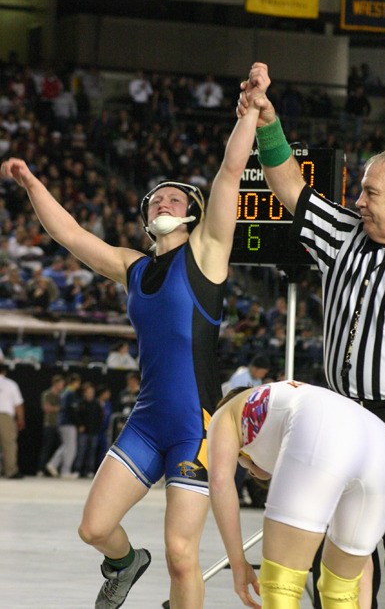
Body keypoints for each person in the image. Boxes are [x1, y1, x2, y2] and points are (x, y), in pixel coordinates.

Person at [0, 77, 266, 608]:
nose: (164, 199)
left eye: (175, 195)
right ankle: (125, 563)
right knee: (94, 528)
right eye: (156, 198)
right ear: (146, 217)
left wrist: (251, 112)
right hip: (146, 421)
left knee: (181, 553)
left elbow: (230, 172)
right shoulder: (132, 266)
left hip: (195, 425)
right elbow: (71, 236)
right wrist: (31, 185)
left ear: (192, 212)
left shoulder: (208, 252)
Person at [238, 63, 385, 608]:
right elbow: (289, 186)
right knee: (337, 543)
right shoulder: (343, 233)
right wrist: (268, 119)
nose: (358, 200)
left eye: (370, 192)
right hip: (337, 413)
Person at [207, 380, 385, 608]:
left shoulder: (226, 413)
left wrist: (238, 563)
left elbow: (220, 482)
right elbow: (364, 567)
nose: (247, 469)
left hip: (321, 430)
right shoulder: (286, 399)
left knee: (280, 586)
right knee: (341, 589)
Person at [45, 372, 81, 479]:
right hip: (68, 423)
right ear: (76, 382)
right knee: (71, 448)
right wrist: (78, 423)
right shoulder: (70, 393)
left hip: (62, 422)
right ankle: (65, 471)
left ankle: (53, 464)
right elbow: (71, 410)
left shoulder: (65, 392)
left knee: (66, 446)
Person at [37, 373, 65, 476]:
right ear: (55, 384)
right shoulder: (47, 394)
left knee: (61, 448)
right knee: (47, 448)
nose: (62, 386)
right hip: (49, 425)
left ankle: (56, 469)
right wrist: (59, 408)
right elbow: (46, 408)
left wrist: (55, 408)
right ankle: (40, 470)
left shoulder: (62, 396)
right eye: (61, 384)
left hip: (60, 425)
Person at [0, 363, 25, 478]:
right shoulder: (11, 384)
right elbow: (18, 404)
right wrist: (20, 419)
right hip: (5, 417)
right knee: (9, 444)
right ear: (4, 372)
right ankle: (10, 471)